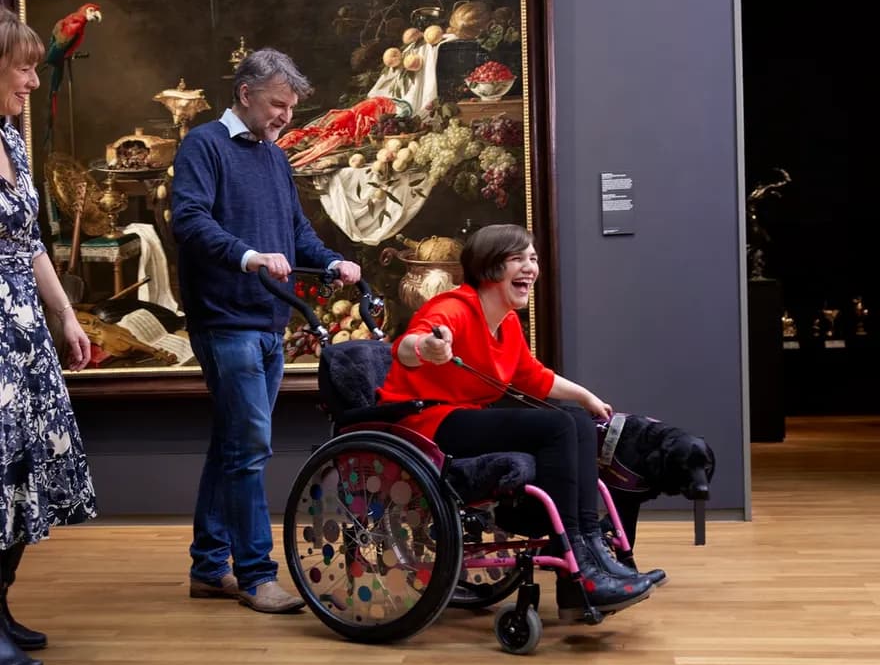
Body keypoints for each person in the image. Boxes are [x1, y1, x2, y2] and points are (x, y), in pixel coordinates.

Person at [378, 223, 664, 621]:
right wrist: (428, 347)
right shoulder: (453, 308)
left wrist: (585, 397)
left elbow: (532, 376)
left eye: (533, 258)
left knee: (576, 420)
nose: (531, 267)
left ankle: (591, 552)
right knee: (557, 427)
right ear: (489, 267)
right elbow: (408, 347)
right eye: (518, 259)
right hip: (424, 424)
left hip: (463, 420)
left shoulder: (507, 323)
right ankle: (578, 566)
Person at [172, 48, 362, 614]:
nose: (286, 116)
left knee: (234, 442)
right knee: (251, 447)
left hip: (268, 323)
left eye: (291, 107)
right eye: (278, 104)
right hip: (224, 320)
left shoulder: (275, 158)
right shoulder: (204, 145)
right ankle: (256, 575)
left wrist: (332, 261)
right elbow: (189, 220)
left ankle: (210, 567)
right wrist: (248, 255)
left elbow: (297, 231)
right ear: (245, 93)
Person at [0, 7, 96, 665]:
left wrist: (65, 315)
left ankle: (0, 605)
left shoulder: (11, 139)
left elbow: (29, 240)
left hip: (23, 330)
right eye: (24, 68)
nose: (35, 81)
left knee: (28, 468)